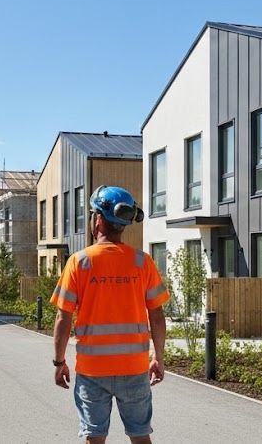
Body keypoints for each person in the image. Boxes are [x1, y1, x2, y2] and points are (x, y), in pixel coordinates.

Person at [51, 185, 169, 444]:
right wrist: (158, 357)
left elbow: (63, 318)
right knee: (141, 437)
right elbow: (157, 315)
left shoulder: (79, 262)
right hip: (134, 368)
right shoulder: (142, 262)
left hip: (93, 371)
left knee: (95, 438)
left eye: (92, 213)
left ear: (98, 219)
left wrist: (59, 363)